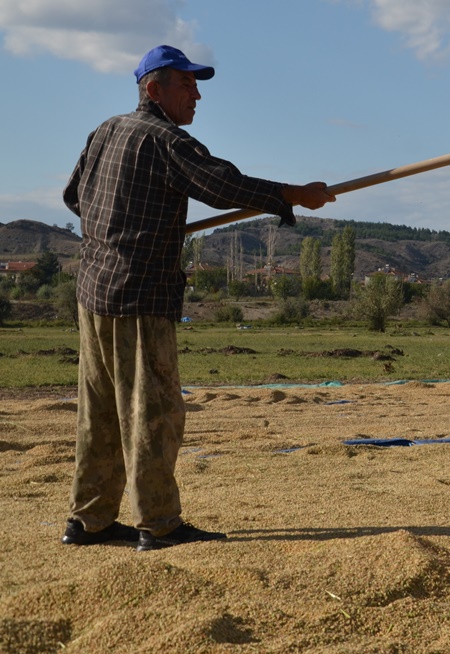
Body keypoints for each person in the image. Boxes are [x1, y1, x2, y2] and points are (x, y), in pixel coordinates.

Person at [61, 45, 335, 551]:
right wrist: (294, 195)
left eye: (196, 84)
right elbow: (221, 183)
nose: (197, 93)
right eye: (186, 84)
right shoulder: (165, 139)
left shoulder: (105, 131)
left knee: (97, 411)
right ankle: (158, 524)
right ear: (153, 89)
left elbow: (74, 197)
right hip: (139, 294)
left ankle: (89, 521)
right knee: (153, 411)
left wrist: (126, 221)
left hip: (93, 290)